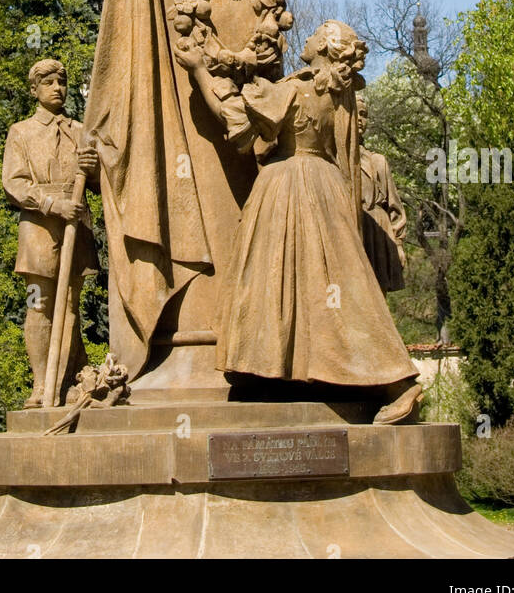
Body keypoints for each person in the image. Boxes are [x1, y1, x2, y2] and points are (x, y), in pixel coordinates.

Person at [174, 21, 422, 424]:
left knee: (273, 280)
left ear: (323, 46)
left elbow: (234, 122)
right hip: (324, 186)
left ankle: (396, 380)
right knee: (314, 285)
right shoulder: (336, 92)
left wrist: (200, 70)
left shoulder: (296, 88)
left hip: (289, 186)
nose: (304, 38)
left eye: (314, 34)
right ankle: (275, 375)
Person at [2, 59, 99, 407]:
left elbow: (101, 184)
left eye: (61, 81)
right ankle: (41, 385)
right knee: (38, 304)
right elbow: (13, 182)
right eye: (48, 82)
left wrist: (94, 169)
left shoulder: (80, 130)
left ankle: (62, 383)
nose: (57, 88)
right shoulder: (21, 132)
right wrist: (51, 205)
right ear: (34, 90)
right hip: (39, 227)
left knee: (71, 304)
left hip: (77, 224)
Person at [356, 94, 407, 295]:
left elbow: (394, 207)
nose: (360, 119)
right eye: (355, 113)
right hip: (350, 229)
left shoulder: (378, 161)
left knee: (377, 295)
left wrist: (399, 244)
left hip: (377, 231)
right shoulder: (333, 160)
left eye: (364, 114)